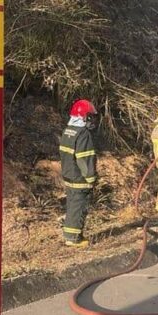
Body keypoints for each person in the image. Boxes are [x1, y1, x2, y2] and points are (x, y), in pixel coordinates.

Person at [60, 99, 99, 247]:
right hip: (80, 177)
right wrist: (91, 178)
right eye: (90, 117)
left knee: (72, 205)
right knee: (79, 206)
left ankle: (70, 234)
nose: (92, 120)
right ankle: (73, 238)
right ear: (84, 117)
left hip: (69, 174)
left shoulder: (68, 131)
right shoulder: (83, 134)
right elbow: (85, 158)